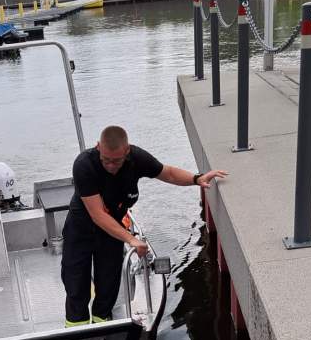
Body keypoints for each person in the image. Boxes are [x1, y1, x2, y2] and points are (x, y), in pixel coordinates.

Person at [61, 125, 227, 324]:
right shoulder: (84, 165)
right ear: (98, 147)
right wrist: (131, 239)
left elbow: (168, 173)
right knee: (76, 286)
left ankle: (102, 326)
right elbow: (97, 215)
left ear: (127, 151)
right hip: (81, 229)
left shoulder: (137, 159)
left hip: (111, 232)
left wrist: (196, 178)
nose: (111, 166)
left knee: (108, 285)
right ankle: (76, 331)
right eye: (106, 160)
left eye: (117, 161)